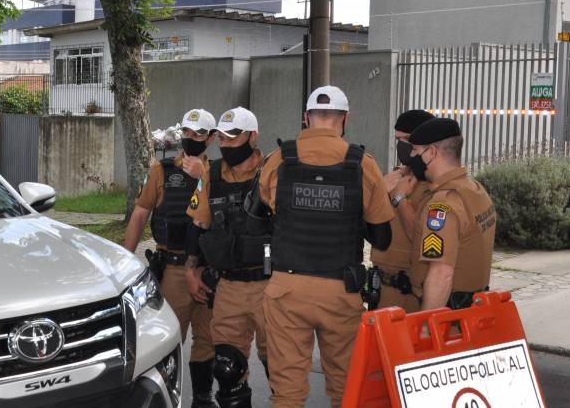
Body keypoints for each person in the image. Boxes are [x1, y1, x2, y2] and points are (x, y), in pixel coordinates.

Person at [257, 86, 394, 408]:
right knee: (346, 386)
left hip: (286, 289)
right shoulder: (364, 165)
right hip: (340, 290)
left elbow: (263, 216)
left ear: (306, 118)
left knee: (287, 391)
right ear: (345, 119)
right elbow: (382, 238)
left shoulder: (278, 160)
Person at [123, 108, 218, 408]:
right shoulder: (161, 170)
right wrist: (125, 258)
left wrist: (203, 178)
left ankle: (203, 397)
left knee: (210, 339)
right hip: (174, 269)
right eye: (187, 133)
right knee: (168, 341)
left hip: (210, 270)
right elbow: (140, 213)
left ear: (211, 139)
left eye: (198, 134)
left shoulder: (218, 174)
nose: (191, 139)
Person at [185, 107, 270, 408]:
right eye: (222, 138)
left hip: (269, 285)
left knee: (279, 368)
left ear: (253, 136)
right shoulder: (212, 174)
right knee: (227, 368)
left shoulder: (272, 172)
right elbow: (198, 224)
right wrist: (191, 269)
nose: (227, 144)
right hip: (229, 286)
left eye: (234, 138)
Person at [401, 117, 497, 311]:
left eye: (416, 150)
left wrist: (428, 326)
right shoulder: (475, 189)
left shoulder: (442, 204)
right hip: (473, 309)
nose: (411, 156)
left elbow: (441, 274)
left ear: (431, 153)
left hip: (449, 318)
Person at [371, 109, 435, 312]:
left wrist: (400, 198)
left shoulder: (434, 186)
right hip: (381, 287)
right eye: (397, 138)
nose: (401, 145)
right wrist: (379, 190)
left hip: (410, 292)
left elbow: (422, 237)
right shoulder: (395, 177)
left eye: (406, 139)